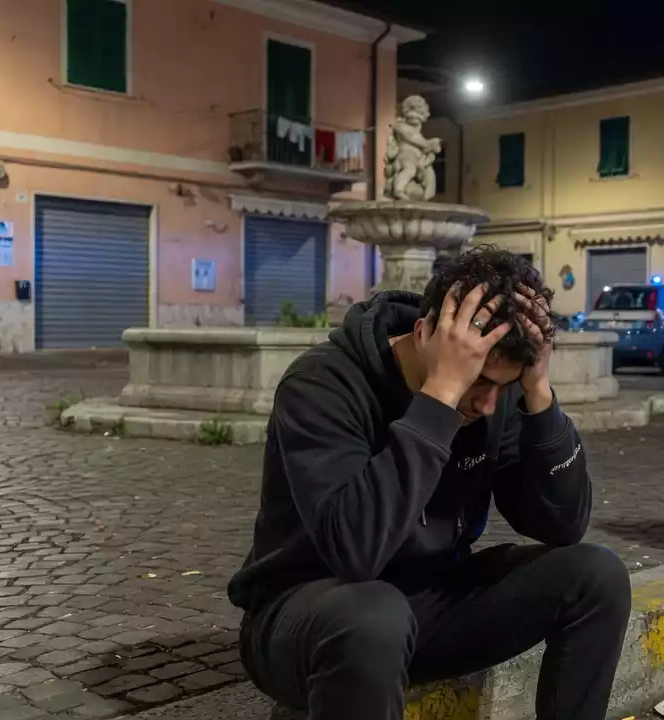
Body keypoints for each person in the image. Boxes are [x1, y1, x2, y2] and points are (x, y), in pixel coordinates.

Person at [229, 247, 632, 720]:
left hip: (431, 606)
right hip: (309, 616)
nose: (486, 404)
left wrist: (538, 393)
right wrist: (440, 397)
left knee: (597, 575)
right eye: (477, 380)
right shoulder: (322, 384)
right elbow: (355, 551)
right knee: (374, 616)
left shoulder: (492, 397)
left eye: (504, 384)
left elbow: (562, 524)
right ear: (423, 335)